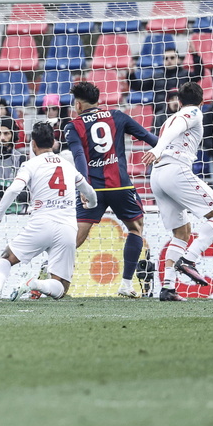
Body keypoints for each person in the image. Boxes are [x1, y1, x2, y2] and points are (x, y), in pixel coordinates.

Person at [0, 121, 98, 301]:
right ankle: (35, 284)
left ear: (33, 144)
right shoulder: (68, 166)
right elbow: (90, 193)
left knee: (6, 257)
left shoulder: (31, 164)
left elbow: (14, 189)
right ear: (54, 142)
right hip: (67, 228)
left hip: (41, 224)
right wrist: (91, 205)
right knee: (61, 287)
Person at [63, 81, 159, 298]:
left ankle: (51, 272)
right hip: (120, 186)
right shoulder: (117, 116)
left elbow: (79, 157)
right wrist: (166, 148)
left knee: (77, 235)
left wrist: (83, 187)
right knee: (135, 229)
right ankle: (126, 284)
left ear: (78, 105)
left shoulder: (73, 126)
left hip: (93, 188)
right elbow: (148, 138)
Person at [142, 82, 213, 302]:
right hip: (175, 169)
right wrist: (157, 148)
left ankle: (168, 287)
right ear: (202, 102)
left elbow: (174, 127)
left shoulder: (168, 118)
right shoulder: (193, 112)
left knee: (182, 233)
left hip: (158, 176)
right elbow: (179, 126)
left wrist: (158, 150)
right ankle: (189, 259)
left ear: (178, 101)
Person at [129, 46, 203, 130]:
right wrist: (131, 74)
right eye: (166, 58)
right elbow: (138, 86)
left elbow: (199, 74)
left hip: (182, 117)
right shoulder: (157, 77)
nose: (169, 60)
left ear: (178, 59)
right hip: (161, 119)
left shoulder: (185, 75)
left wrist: (195, 55)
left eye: (172, 57)